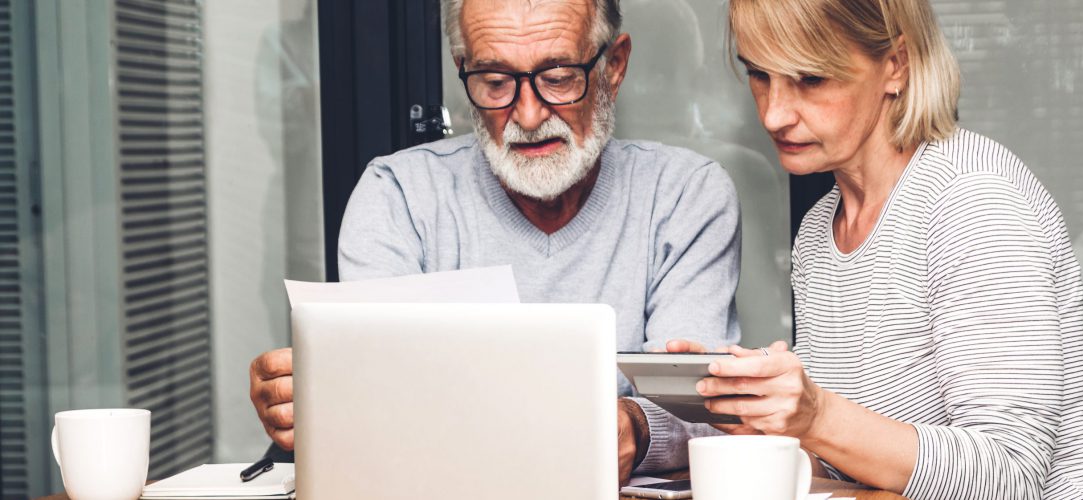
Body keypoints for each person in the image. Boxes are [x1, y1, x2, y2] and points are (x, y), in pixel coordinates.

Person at [248, 0, 740, 484]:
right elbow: (378, 403)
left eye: (559, 76)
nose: (528, 116)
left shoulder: (685, 194)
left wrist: (634, 427)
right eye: (496, 82)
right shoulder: (397, 197)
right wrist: (314, 400)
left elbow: (707, 403)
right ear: (462, 70)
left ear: (614, 66)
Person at [680, 0, 1083, 498]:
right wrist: (767, 428)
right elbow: (866, 469)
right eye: (759, 75)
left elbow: (1010, 473)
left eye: (810, 79)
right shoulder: (819, 230)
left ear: (895, 65)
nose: (773, 113)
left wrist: (818, 416)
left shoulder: (972, 197)